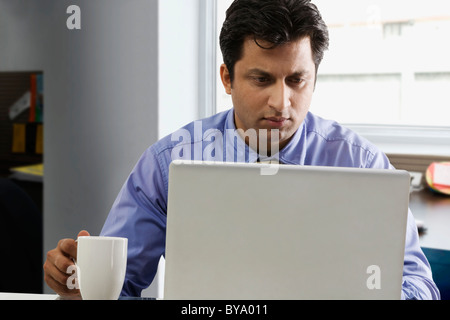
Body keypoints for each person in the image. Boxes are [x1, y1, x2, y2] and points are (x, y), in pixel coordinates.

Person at [43, 0, 440, 300]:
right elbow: (121, 284)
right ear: (227, 78)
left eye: (297, 80)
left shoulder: (362, 164)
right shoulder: (169, 164)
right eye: (262, 79)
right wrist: (79, 285)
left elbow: (419, 283)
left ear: (314, 78)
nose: (282, 102)